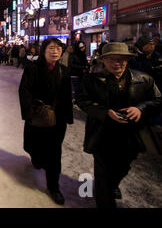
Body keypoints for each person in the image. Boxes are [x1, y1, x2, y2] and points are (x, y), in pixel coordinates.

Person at [75, 42, 161, 208]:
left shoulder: (144, 80)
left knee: (123, 167)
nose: (117, 63)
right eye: (112, 59)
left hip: (131, 136)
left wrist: (140, 109)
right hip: (102, 134)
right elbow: (82, 100)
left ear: (128, 60)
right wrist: (105, 113)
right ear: (104, 60)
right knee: (103, 175)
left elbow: (158, 100)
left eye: (122, 59)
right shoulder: (92, 79)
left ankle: (111, 185)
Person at [19, 38, 73, 205]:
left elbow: (67, 96)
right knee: (31, 145)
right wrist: (29, 113)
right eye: (51, 48)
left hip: (57, 119)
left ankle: (53, 187)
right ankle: (36, 157)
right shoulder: (32, 68)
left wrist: (67, 116)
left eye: (58, 48)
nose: (55, 51)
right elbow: (24, 91)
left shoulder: (64, 70)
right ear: (44, 50)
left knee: (54, 155)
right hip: (37, 116)